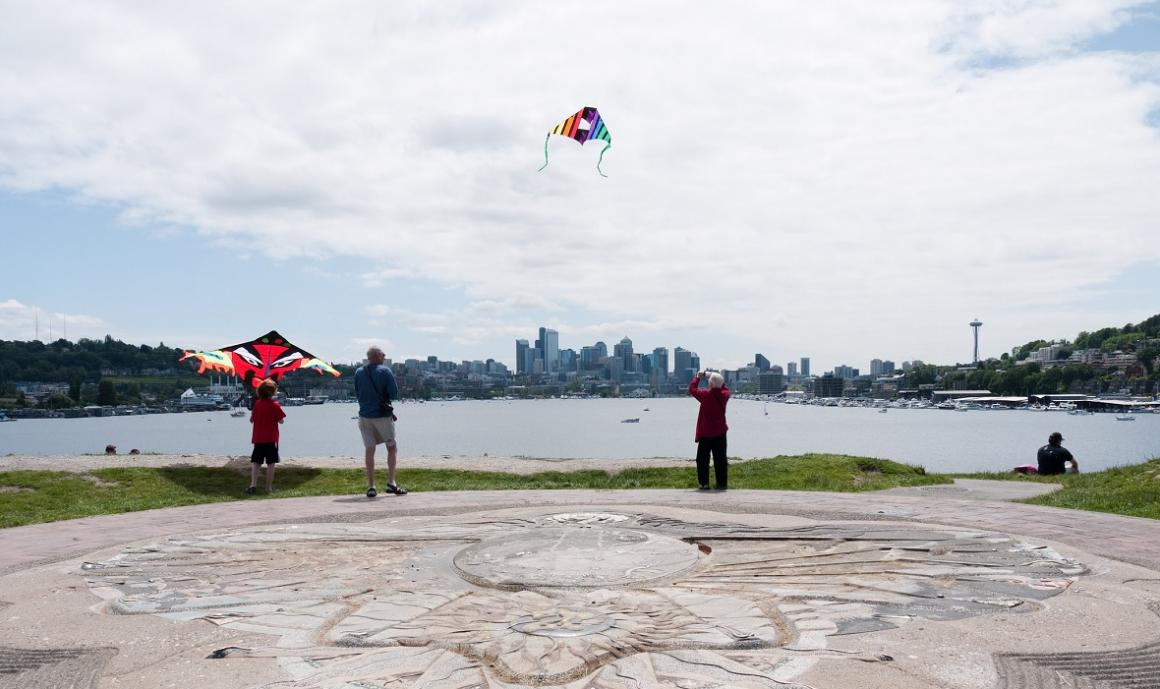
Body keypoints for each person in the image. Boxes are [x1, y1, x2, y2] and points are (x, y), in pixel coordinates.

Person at [354, 346, 406, 497]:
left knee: (369, 449)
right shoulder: (385, 371)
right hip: (382, 415)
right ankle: (391, 482)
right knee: (391, 447)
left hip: (364, 416)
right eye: (383, 354)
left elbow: (358, 393)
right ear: (377, 356)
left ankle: (371, 486)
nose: (384, 356)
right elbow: (394, 394)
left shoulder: (359, 372)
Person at [688, 370, 730, 490]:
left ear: (710, 384)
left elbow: (692, 389)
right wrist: (711, 375)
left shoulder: (705, 396)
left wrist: (698, 377)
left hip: (706, 433)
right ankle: (721, 484)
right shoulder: (725, 395)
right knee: (720, 460)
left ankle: (704, 483)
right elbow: (723, 385)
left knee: (702, 460)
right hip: (721, 433)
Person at [247, 378, 286, 494]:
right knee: (271, 463)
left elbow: (251, 420)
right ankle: (268, 488)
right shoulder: (275, 405)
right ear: (273, 392)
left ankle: (253, 485)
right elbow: (281, 421)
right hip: (270, 438)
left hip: (258, 438)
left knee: (256, 462)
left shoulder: (257, 404)